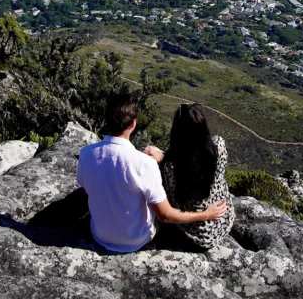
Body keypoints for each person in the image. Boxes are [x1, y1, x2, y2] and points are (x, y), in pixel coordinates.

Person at [76, 93, 228, 253]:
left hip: (99, 235)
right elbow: (165, 216)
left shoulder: (86, 153)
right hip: (137, 239)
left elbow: (87, 190)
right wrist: (205, 215)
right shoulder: (144, 164)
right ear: (133, 124)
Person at [144, 102, 235, 250]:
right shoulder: (219, 146)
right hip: (222, 220)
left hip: (194, 235)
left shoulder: (171, 167)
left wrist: (163, 160)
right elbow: (197, 164)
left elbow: (169, 197)